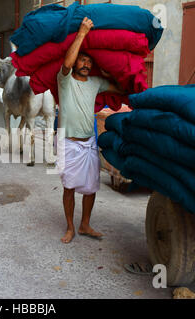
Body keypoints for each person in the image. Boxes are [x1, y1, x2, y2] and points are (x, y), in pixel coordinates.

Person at [57, 18, 126, 244]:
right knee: (69, 187)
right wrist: (83, 32)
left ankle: (85, 224)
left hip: (88, 142)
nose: (85, 63)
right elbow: (66, 64)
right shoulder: (65, 80)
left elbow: (119, 87)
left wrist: (108, 72)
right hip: (68, 142)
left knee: (91, 187)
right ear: (75, 61)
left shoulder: (95, 82)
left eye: (88, 61)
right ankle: (70, 227)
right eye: (81, 59)